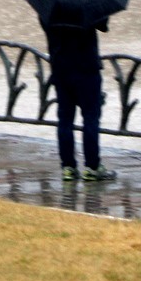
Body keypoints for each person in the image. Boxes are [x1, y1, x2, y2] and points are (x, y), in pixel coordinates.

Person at [41, 13, 117, 182]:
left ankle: (68, 167)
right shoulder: (88, 6)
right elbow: (103, 25)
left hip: (60, 69)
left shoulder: (48, 8)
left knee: (65, 120)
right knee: (90, 118)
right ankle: (92, 166)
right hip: (86, 69)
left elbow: (48, 28)